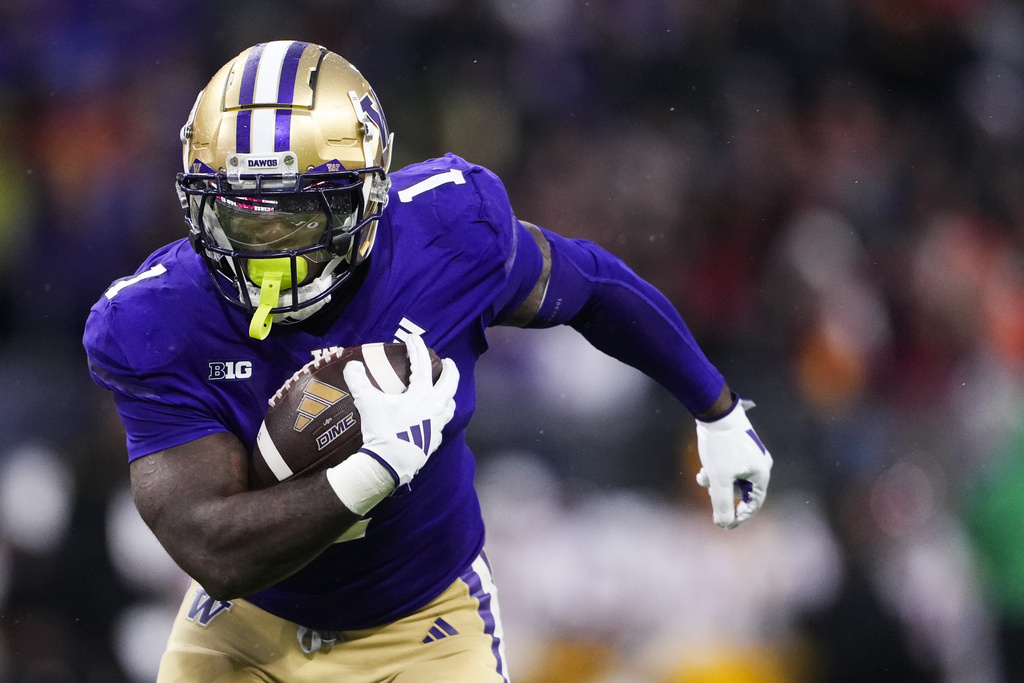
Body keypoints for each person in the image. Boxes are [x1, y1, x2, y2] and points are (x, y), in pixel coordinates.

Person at [83, 40, 773, 683]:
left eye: (295, 218)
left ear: (368, 195)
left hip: (423, 624)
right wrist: (374, 468)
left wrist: (714, 406)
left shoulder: (447, 236)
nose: (269, 251)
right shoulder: (157, 318)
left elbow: (587, 285)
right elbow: (214, 550)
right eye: (244, 217)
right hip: (246, 624)